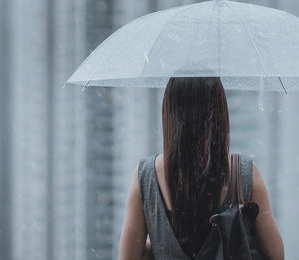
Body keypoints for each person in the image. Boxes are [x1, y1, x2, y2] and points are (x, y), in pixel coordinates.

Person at [118, 77, 284, 260]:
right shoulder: (245, 174)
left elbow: (128, 257)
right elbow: (276, 254)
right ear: (220, 113)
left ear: (169, 114)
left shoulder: (145, 177)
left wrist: (155, 247)